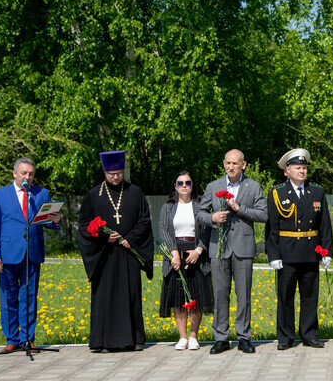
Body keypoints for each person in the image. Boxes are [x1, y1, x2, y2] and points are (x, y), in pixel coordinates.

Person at [78, 151, 154, 352]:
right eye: (111, 173)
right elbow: (84, 224)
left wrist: (131, 238)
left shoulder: (134, 192)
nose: (115, 177)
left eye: (118, 172)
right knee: (106, 297)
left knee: (130, 296)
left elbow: (144, 220)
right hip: (105, 255)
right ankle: (104, 341)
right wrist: (103, 236)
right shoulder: (94, 195)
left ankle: (134, 340)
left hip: (128, 253)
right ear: (105, 171)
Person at [0, 157, 62, 352]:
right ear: (14, 173)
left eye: (31, 174)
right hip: (8, 254)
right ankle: (12, 339)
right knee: (8, 297)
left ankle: (27, 338)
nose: (27, 177)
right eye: (24, 173)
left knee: (29, 297)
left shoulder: (41, 194)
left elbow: (48, 222)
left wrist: (56, 220)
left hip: (32, 253)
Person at [197, 149, 268, 354]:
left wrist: (238, 208)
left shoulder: (253, 186)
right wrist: (212, 218)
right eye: (228, 163)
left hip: (243, 248)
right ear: (223, 164)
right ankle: (221, 337)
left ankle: (244, 337)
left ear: (243, 165)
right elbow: (199, 213)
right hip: (218, 248)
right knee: (220, 294)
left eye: (235, 164)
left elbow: (263, 215)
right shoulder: (213, 186)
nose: (231, 167)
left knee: (243, 295)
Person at [265, 148, 333, 350]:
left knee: (310, 297)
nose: (302, 171)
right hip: (286, 253)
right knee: (285, 297)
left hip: (311, 251)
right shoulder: (277, 193)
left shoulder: (317, 192)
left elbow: (325, 225)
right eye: (297, 168)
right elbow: (272, 228)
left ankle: (310, 334)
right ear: (287, 171)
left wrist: (327, 251)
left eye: (304, 168)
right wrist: (273, 254)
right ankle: (285, 337)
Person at [159, 171, 214, 351]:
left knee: (195, 296)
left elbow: (207, 229)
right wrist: (174, 254)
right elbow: (164, 231)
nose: (184, 186)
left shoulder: (200, 205)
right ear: (175, 186)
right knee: (178, 297)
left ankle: (193, 336)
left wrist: (198, 250)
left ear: (192, 185)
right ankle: (182, 337)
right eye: (180, 183)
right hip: (175, 254)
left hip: (195, 253)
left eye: (188, 183)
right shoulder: (167, 207)